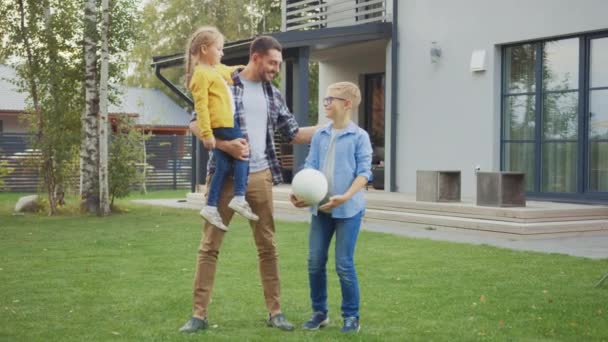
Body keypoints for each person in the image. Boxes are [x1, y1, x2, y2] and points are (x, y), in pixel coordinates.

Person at [179, 35, 319, 333]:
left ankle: (276, 312)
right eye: (272, 63)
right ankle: (198, 315)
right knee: (209, 247)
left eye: (278, 64)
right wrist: (225, 145)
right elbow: (195, 122)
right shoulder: (224, 80)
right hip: (223, 173)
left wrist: (328, 129)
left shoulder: (273, 94)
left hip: (260, 176)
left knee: (267, 246)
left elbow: (293, 133)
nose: (275, 69)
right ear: (256, 58)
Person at [290, 82, 372, 333]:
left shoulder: (360, 137)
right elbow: (310, 166)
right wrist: (299, 192)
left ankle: (351, 316)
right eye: (325, 99)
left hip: (349, 210)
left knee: (344, 263)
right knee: (315, 261)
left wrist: (345, 196)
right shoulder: (320, 135)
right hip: (321, 208)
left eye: (330, 99)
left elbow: (364, 173)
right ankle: (320, 313)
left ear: (346, 104)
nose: (326, 103)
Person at [185, 26, 257, 231]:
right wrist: (207, 135)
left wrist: (248, 67)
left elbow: (231, 70)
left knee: (223, 167)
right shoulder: (200, 75)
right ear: (205, 49)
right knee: (243, 152)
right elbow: (201, 108)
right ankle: (240, 197)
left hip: (224, 123)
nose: (222, 52)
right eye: (219, 49)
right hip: (223, 124)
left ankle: (210, 207)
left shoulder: (215, 69)